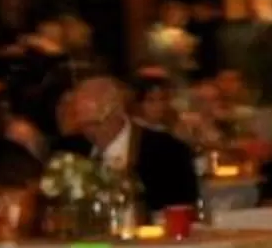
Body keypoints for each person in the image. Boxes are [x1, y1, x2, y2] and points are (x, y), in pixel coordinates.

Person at [55, 74, 201, 212]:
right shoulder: (68, 149)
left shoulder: (167, 151)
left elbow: (181, 209)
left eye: (95, 124)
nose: (89, 132)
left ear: (117, 112)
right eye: (82, 125)